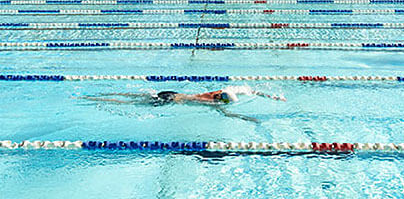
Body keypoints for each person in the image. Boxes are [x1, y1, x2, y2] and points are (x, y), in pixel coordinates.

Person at [84, 85, 285, 122]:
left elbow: (250, 91)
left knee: (135, 98)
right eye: (217, 94)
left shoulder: (218, 99)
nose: (213, 93)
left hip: (171, 95)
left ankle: (102, 96)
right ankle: (102, 97)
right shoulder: (217, 101)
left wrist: (248, 118)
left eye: (216, 95)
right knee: (133, 101)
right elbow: (252, 91)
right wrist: (271, 97)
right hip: (170, 99)